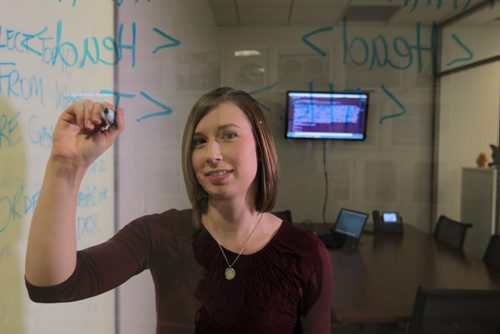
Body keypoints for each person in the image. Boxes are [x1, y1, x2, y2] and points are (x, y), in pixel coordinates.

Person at [25, 87, 333, 333]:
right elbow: (54, 287)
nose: (211, 154)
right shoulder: (158, 233)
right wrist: (66, 166)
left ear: (260, 146)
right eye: (199, 141)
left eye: (228, 135)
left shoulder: (305, 252)